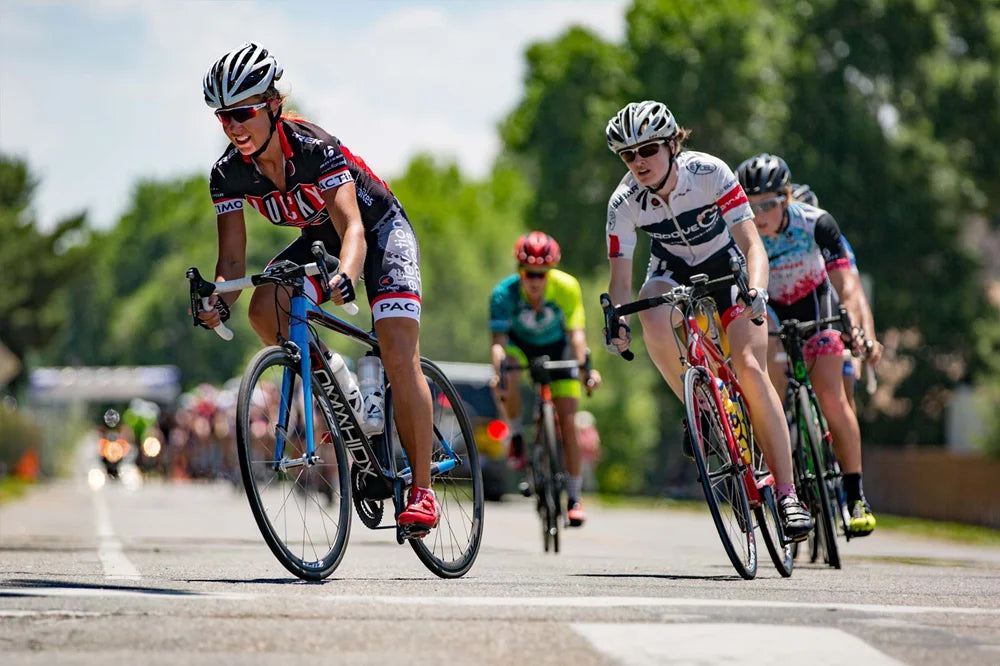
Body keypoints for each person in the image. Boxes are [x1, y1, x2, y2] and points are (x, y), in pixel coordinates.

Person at [196, 42, 438, 537]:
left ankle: (422, 491)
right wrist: (217, 301)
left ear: (272, 104)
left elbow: (352, 227)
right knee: (265, 310)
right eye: (224, 118)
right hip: (320, 237)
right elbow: (234, 263)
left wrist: (347, 273)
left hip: (378, 229)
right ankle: (345, 388)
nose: (234, 127)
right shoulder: (227, 174)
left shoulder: (313, 147)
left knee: (396, 350)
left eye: (243, 113)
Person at [602, 101, 813, 540]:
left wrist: (757, 289)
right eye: (628, 155)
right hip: (670, 271)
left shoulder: (710, 173)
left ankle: (790, 496)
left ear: (672, 144)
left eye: (649, 149)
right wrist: (617, 321)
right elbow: (620, 276)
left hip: (727, 266)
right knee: (649, 308)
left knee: (752, 370)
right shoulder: (623, 202)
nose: (638, 161)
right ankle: (698, 403)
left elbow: (752, 244)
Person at [738, 155, 880, 536]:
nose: (760, 213)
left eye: (768, 203)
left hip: (817, 307)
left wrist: (854, 327)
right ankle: (780, 481)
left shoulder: (817, 222)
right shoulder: (738, 231)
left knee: (832, 398)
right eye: (751, 205)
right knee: (767, 392)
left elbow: (847, 284)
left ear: (786, 197)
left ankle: (854, 496)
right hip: (770, 313)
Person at [489, 232, 601, 526]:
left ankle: (574, 498)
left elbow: (577, 334)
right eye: (528, 273)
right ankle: (515, 434)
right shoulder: (503, 294)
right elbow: (498, 341)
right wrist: (498, 368)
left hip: (557, 347)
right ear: (519, 271)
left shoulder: (566, 288)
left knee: (568, 420)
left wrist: (585, 369)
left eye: (541, 273)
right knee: (505, 371)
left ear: (550, 272)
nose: (534, 280)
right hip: (520, 347)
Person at [791, 184, 881, 412]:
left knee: (843, 399)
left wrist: (864, 337)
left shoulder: (831, 238)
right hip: (793, 317)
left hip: (832, 316)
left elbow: (854, 292)